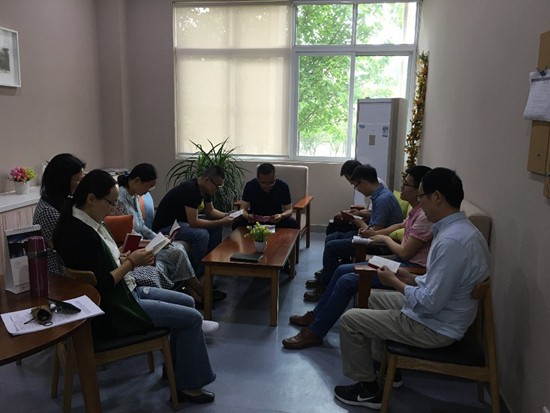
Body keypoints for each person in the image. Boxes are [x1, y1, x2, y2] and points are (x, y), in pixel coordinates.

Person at [53, 169, 216, 404]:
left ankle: (177, 371)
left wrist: (122, 257)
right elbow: (101, 283)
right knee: (192, 318)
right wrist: (131, 263)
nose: (112, 209)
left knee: (188, 301)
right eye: (110, 203)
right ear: (90, 199)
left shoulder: (83, 220)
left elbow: (101, 264)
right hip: (114, 308)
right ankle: (189, 387)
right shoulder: (80, 234)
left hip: (123, 293)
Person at [333, 167, 490, 410]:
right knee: (372, 298)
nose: (419, 203)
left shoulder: (452, 242)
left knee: (350, 320)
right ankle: (384, 369)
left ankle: (368, 390)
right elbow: (440, 285)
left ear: (437, 197)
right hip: (440, 314)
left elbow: (429, 303)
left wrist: (394, 282)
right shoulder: (462, 231)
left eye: (421, 196)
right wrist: (410, 278)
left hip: (434, 326)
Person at [283, 166, 433, 349]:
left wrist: (382, 237)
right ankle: (316, 315)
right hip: (399, 262)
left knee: (346, 279)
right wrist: (376, 232)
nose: (401, 187)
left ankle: (315, 331)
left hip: (407, 267)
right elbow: (399, 225)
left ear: (420, 190)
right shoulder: (417, 211)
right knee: (341, 269)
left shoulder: (424, 216)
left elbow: (405, 253)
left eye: (406, 184)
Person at [112, 163, 226, 306]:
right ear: (137, 181)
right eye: (149, 187)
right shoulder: (119, 199)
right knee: (178, 250)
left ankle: (195, 289)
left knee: (177, 249)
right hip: (134, 245)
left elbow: (142, 226)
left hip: (145, 240)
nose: (148, 191)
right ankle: (200, 290)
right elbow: (129, 232)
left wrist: (157, 238)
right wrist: (152, 242)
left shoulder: (134, 196)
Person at [304, 165, 403, 302]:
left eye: (356, 186)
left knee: (332, 247)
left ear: (363, 182)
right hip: (375, 237)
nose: (358, 190)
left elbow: (373, 233)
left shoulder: (383, 199)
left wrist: (359, 222)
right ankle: (327, 278)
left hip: (379, 244)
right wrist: (360, 216)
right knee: (332, 237)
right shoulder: (380, 195)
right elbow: (376, 222)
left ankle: (325, 289)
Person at [152, 166, 234, 278]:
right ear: (207, 180)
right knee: (201, 234)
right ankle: (199, 273)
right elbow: (194, 222)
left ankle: (211, 265)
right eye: (217, 186)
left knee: (215, 227)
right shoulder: (190, 189)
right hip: (167, 227)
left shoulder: (205, 189)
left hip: (182, 223)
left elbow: (210, 211)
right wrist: (221, 222)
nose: (218, 189)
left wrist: (227, 216)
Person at [33, 153, 86, 276]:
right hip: (58, 273)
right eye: (78, 180)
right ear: (63, 181)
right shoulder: (48, 212)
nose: (81, 185)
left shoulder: (63, 200)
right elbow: (67, 248)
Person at [231, 163, 299, 230]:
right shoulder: (250, 185)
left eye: (271, 182)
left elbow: (289, 210)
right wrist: (247, 216)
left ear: (275, 177)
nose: (267, 186)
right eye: (263, 183)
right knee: (237, 223)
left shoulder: (283, 186)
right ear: (258, 179)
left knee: (293, 224)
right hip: (255, 219)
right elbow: (242, 209)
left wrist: (281, 216)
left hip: (275, 219)